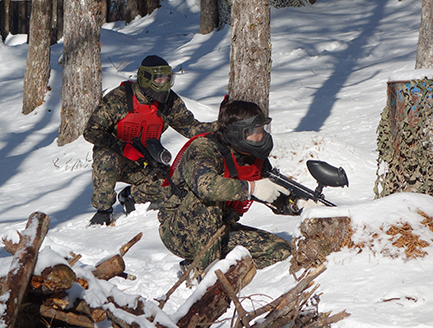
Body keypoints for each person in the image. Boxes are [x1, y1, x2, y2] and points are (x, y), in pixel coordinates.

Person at [158, 98, 311, 275]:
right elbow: (205, 187)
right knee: (208, 200)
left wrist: (297, 205)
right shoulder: (203, 148)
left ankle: (217, 269)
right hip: (179, 232)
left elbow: (271, 193)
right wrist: (252, 188)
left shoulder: (253, 156)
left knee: (281, 252)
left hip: (222, 228)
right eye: (254, 131)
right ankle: (204, 273)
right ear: (236, 133)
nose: (261, 136)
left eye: (262, 129)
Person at [83, 55, 216, 226]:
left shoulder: (169, 102)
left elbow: (191, 127)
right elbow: (91, 131)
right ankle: (104, 210)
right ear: (146, 78)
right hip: (116, 158)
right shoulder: (119, 98)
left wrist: (223, 127)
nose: (164, 83)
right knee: (105, 158)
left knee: (173, 186)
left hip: (145, 162)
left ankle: (131, 195)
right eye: (159, 79)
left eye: (167, 79)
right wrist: (121, 147)